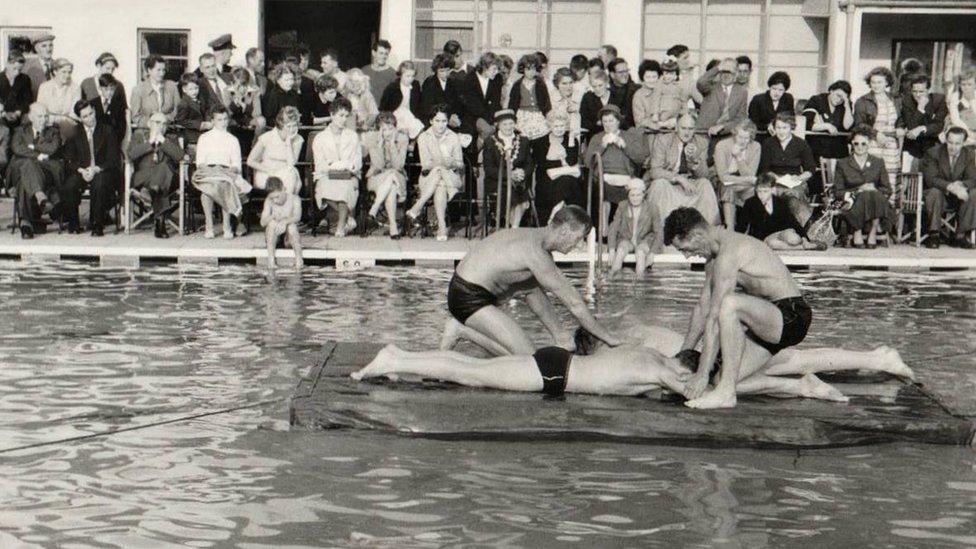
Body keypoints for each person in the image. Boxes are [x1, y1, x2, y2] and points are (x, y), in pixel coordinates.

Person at [354, 325, 913, 401]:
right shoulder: (663, 368)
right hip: (555, 373)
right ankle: (394, 358)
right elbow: (709, 392)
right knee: (468, 372)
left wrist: (805, 385)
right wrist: (799, 388)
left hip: (559, 366)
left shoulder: (652, 355)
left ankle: (399, 357)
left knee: (468, 370)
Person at [664, 206, 814, 409]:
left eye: (685, 249)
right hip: (765, 322)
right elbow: (702, 309)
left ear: (697, 235)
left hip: (791, 316)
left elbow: (715, 316)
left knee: (729, 304)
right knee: (719, 377)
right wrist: (681, 358)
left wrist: (701, 373)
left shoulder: (729, 253)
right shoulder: (713, 260)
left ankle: (726, 394)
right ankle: (804, 385)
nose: (687, 256)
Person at [441, 204, 624, 356]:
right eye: (578, 239)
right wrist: (609, 339)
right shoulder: (536, 253)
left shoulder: (535, 239)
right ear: (565, 230)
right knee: (528, 360)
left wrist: (561, 336)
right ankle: (461, 330)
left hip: (472, 287)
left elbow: (533, 295)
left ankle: (562, 338)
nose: (578, 245)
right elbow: (574, 303)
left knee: (532, 287)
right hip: (467, 297)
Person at [647, 113, 719, 244]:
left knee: (705, 184)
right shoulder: (663, 140)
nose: (687, 132)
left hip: (691, 182)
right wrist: (678, 178)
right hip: (669, 182)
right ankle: (660, 234)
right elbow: (655, 171)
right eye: (683, 128)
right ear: (676, 128)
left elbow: (704, 175)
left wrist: (694, 159)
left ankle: (707, 235)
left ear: (695, 129)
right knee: (658, 184)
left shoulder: (701, 142)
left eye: (690, 129)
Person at [406, 104, 464, 241]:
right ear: (431, 121)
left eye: (444, 121)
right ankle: (442, 226)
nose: (441, 125)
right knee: (439, 179)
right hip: (428, 177)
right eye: (437, 121)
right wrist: (443, 163)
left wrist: (453, 163)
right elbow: (426, 164)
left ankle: (417, 208)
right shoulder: (423, 137)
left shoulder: (453, 137)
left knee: (440, 174)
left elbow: (460, 164)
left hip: (452, 176)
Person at [63, 99, 121, 236]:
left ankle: (97, 224)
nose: (90, 118)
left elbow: (113, 159)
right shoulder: (74, 132)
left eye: (91, 113)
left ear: (94, 111)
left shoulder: (107, 130)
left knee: (99, 183)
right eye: (85, 116)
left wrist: (96, 169)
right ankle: (74, 224)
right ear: (79, 118)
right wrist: (82, 170)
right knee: (70, 185)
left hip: (102, 170)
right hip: (82, 170)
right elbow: (68, 158)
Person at [192, 106, 250, 239]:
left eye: (225, 119)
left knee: (224, 185)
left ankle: (226, 226)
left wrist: (224, 171)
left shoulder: (233, 140)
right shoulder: (204, 138)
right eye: (219, 119)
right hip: (208, 172)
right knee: (206, 192)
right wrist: (214, 171)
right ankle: (209, 226)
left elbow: (236, 165)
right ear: (212, 121)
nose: (223, 122)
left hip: (226, 172)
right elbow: (200, 163)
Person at [9, 103, 63, 239]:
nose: (43, 119)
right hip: (20, 169)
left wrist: (32, 146)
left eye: (46, 116)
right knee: (28, 164)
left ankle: (25, 222)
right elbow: (16, 147)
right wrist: (37, 155)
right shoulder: (20, 131)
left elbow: (53, 148)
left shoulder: (53, 131)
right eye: (39, 116)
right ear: (31, 117)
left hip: (45, 173)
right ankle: (42, 199)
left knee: (24, 179)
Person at [832, 126, 892, 248]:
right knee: (864, 194)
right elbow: (837, 191)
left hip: (875, 200)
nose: (860, 147)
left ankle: (872, 231)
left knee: (873, 193)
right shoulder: (843, 163)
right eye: (856, 143)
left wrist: (874, 189)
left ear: (869, 144)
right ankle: (857, 230)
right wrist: (859, 190)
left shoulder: (878, 162)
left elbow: (887, 189)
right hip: (851, 201)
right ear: (852, 145)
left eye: (863, 144)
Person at [128, 111, 184, 238]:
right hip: (143, 177)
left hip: (167, 179)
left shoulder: (171, 138)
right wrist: (150, 143)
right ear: (149, 123)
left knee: (163, 170)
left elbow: (180, 156)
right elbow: (130, 155)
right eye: (158, 123)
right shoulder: (138, 135)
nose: (161, 127)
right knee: (161, 178)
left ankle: (153, 191)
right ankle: (160, 223)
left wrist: (163, 142)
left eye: (164, 124)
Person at [312, 97, 362, 237]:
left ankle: (340, 227)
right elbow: (320, 165)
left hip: (348, 176)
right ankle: (348, 218)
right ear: (332, 115)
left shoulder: (352, 136)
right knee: (325, 188)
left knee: (345, 189)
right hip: (327, 175)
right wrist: (336, 166)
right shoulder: (320, 138)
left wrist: (347, 166)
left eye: (346, 116)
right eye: (340, 115)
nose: (343, 119)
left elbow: (357, 162)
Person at [585, 105, 648, 214]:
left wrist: (624, 145)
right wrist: (602, 145)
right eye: (605, 121)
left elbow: (640, 158)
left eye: (611, 121)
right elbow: (587, 162)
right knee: (604, 195)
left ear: (618, 121)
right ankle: (604, 230)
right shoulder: (597, 138)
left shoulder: (629, 136)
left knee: (634, 194)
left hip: (626, 179)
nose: (608, 124)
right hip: (603, 179)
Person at [921, 126, 976, 249]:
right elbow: (931, 179)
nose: (953, 147)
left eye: (957, 143)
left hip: (958, 198)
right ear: (945, 140)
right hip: (937, 195)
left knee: (974, 194)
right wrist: (951, 187)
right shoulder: (933, 152)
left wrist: (961, 185)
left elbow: (973, 179)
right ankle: (934, 234)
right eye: (950, 142)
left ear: (964, 143)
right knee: (935, 192)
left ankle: (960, 235)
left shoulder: (969, 155)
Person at [740, 173, 822, 251]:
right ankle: (801, 248)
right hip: (765, 238)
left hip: (781, 232)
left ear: (772, 190)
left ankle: (803, 244)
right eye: (759, 191)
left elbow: (793, 222)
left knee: (793, 239)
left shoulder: (779, 202)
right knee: (773, 244)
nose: (762, 195)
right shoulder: (750, 203)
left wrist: (805, 239)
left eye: (765, 191)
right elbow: (742, 224)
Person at [854, 67, 903, 195]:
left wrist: (900, 128)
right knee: (872, 177)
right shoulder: (863, 101)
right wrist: (876, 134)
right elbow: (859, 125)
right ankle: (872, 209)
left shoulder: (895, 99)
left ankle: (888, 210)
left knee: (891, 180)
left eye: (879, 82)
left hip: (891, 145)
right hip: (872, 143)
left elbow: (901, 119)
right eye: (873, 82)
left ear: (887, 82)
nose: (876, 85)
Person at [483, 109, 534, 228]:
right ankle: (513, 228)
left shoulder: (524, 141)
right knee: (510, 193)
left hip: (519, 181)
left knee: (519, 192)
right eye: (504, 124)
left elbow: (530, 164)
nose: (508, 127)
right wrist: (509, 175)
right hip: (497, 181)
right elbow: (489, 169)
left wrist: (522, 172)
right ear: (498, 125)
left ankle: (513, 229)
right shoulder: (490, 142)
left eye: (511, 123)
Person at [365, 112, 409, 239]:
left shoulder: (402, 139)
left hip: (397, 176)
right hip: (376, 177)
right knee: (392, 184)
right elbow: (378, 165)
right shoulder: (372, 139)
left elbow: (398, 166)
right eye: (384, 129)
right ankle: (393, 227)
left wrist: (392, 146)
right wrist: (379, 145)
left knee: (392, 176)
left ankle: (374, 208)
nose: (388, 132)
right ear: (379, 130)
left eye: (391, 128)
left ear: (395, 128)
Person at [696, 58, 748, 161]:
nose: (726, 75)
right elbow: (701, 83)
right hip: (704, 135)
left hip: (726, 135)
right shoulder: (711, 86)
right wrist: (718, 68)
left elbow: (741, 118)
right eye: (723, 71)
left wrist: (723, 127)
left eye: (729, 72)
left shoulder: (742, 92)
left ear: (736, 73)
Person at [713, 119, 761, 231]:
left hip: (744, 183)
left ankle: (749, 231)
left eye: (746, 138)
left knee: (753, 190)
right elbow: (723, 177)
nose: (743, 141)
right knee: (729, 188)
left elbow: (751, 173)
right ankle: (730, 229)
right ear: (734, 134)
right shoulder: (722, 145)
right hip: (724, 182)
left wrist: (739, 157)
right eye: (740, 137)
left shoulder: (756, 146)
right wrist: (747, 180)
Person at [537, 110, 583, 224]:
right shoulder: (541, 142)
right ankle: (559, 208)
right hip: (547, 182)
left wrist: (572, 139)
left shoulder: (570, 139)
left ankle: (556, 209)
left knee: (568, 181)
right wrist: (565, 168)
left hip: (568, 182)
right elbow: (544, 166)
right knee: (568, 180)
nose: (559, 128)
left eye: (562, 125)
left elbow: (571, 162)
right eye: (556, 126)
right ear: (549, 126)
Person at [508, 53, 552, 170]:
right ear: (523, 69)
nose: (531, 72)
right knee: (523, 152)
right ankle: (523, 184)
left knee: (542, 151)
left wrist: (548, 118)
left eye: (533, 69)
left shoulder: (540, 84)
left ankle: (541, 185)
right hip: (522, 117)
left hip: (538, 117)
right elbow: (512, 105)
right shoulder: (517, 85)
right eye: (528, 69)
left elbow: (546, 104)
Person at [246, 105, 303, 194]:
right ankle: (286, 204)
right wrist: (269, 170)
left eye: (294, 125)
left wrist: (288, 142)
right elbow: (250, 161)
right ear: (281, 125)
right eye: (288, 126)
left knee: (291, 174)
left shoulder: (298, 139)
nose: (292, 130)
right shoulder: (266, 137)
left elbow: (292, 163)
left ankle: (286, 205)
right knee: (291, 177)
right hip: (266, 173)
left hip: (287, 172)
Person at [758, 112, 816, 198]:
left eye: (785, 128)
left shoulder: (801, 144)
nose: (781, 131)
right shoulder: (768, 143)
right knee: (769, 193)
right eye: (778, 128)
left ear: (791, 128)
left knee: (794, 194)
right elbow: (764, 168)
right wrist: (776, 177)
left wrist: (799, 178)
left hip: (795, 181)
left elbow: (810, 169)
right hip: (773, 179)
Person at [607, 179, 656, 278]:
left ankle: (639, 283)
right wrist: (611, 250)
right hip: (627, 240)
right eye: (632, 195)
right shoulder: (622, 206)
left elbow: (658, 231)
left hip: (644, 240)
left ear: (644, 195)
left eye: (638, 195)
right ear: (628, 196)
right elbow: (613, 228)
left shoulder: (652, 207)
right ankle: (612, 281)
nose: (635, 198)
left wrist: (652, 253)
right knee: (620, 251)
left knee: (640, 254)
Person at [458, 52, 503, 157]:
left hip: (489, 115)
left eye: (497, 69)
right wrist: (489, 122)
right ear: (484, 67)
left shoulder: (497, 79)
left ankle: (473, 159)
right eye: (494, 69)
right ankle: (470, 158)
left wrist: (493, 121)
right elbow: (472, 105)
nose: (496, 72)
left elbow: (496, 102)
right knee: (488, 130)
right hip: (471, 115)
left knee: (495, 130)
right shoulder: (469, 79)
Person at [899, 74, 947, 163]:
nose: (917, 95)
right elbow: (911, 126)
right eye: (914, 91)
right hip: (912, 144)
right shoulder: (907, 101)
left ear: (928, 90)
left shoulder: (938, 100)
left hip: (932, 143)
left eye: (921, 91)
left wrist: (921, 128)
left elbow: (939, 125)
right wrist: (920, 109)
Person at [802, 80, 854, 162]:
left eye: (842, 98)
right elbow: (806, 124)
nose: (839, 100)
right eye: (838, 95)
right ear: (831, 90)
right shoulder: (816, 100)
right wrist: (827, 126)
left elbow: (847, 126)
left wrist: (847, 104)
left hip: (838, 151)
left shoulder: (845, 105)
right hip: (817, 150)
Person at [260, 176, 303, 276]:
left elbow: (298, 217)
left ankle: (299, 258)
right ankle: (271, 260)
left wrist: (284, 222)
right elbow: (262, 222)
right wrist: (272, 216)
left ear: (284, 189)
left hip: (289, 239)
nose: (275, 200)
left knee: (292, 226)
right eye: (272, 198)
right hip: (274, 237)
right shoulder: (268, 201)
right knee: (271, 224)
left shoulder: (294, 199)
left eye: (277, 196)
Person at [130, 55, 179, 131]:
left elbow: (178, 110)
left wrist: (165, 118)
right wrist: (151, 123)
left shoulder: (172, 86)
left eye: (163, 70)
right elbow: (135, 116)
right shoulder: (138, 90)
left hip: (169, 130)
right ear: (149, 70)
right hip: (146, 131)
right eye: (158, 70)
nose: (162, 73)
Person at [378, 61, 424, 139]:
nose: (410, 79)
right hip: (394, 116)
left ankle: (412, 146)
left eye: (413, 76)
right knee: (403, 133)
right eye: (407, 76)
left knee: (420, 128)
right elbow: (383, 108)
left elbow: (419, 104)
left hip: (410, 115)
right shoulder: (392, 88)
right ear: (400, 75)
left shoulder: (415, 85)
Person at [36, 58, 80, 134]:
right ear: (55, 71)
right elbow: (41, 114)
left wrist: (55, 118)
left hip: (68, 128)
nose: (67, 75)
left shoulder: (75, 88)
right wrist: (63, 118)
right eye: (64, 72)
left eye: (69, 72)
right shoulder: (44, 87)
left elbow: (74, 115)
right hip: (48, 128)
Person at [748, 71, 794, 140]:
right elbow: (752, 122)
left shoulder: (788, 99)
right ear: (769, 87)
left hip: (782, 135)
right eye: (774, 88)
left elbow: (791, 118)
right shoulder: (758, 99)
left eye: (780, 90)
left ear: (785, 90)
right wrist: (766, 126)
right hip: (761, 136)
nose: (776, 93)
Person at [175, 74, 210, 154]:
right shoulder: (184, 103)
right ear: (184, 89)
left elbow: (206, 111)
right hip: (192, 139)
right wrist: (199, 125)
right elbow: (181, 121)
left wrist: (208, 120)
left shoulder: (200, 100)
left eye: (196, 88)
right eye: (190, 89)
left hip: (202, 136)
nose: (194, 91)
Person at [420, 53, 458, 125]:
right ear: (436, 70)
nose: (445, 74)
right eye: (441, 71)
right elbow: (427, 107)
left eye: (447, 70)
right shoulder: (429, 82)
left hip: (452, 119)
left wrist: (455, 115)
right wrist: (447, 117)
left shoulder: (454, 82)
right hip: (434, 119)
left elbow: (458, 104)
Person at [262, 63, 301, 130]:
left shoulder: (294, 94)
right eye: (286, 80)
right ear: (278, 80)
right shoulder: (273, 95)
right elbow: (269, 118)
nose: (290, 82)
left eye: (291, 79)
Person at [1, 50, 33, 131]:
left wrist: (18, 113)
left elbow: (28, 99)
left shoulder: (25, 79)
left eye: (20, 70)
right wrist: (4, 114)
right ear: (7, 64)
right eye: (14, 68)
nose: (16, 73)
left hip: (20, 115)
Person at [90, 74, 127, 139]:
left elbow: (122, 128)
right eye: (106, 89)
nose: (109, 92)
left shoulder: (119, 105)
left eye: (112, 89)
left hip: (113, 141)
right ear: (100, 88)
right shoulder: (92, 103)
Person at [550, 67, 581, 142]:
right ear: (557, 84)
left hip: (576, 138)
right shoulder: (551, 98)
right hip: (557, 138)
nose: (568, 87)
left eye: (571, 83)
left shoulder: (580, 96)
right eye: (564, 83)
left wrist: (579, 109)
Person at [632, 59, 662, 138]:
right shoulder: (639, 95)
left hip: (666, 132)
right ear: (642, 78)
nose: (651, 80)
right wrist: (655, 124)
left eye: (654, 77)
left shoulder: (664, 91)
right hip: (646, 134)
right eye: (648, 77)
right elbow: (639, 121)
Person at [607, 58, 639, 129]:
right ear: (612, 74)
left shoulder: (637, 90)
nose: (625, 74)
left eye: (626, 71)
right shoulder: (606, 92)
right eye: (621, 72)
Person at [946, 71, 976, 145]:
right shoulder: (955, 97)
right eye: (963, 84)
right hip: (961, 126)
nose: (966, 87)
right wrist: (968, 132)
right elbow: (955, 119)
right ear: (959, 85)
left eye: (969, 84)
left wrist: (972, 100)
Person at [362, 39, 396, 104]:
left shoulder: (393, 74)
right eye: (381, 53)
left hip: (383, 111)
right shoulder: (364, 71)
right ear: (373, 53)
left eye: (386, 54)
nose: (383, 56)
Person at [579, 69, 611, 137]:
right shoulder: (587, 98)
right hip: (594, 137)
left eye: (600, 85)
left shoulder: (616, 96)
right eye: (594, 86)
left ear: (607, 82)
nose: (597, 89)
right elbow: (583, 121)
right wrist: (597, 124)